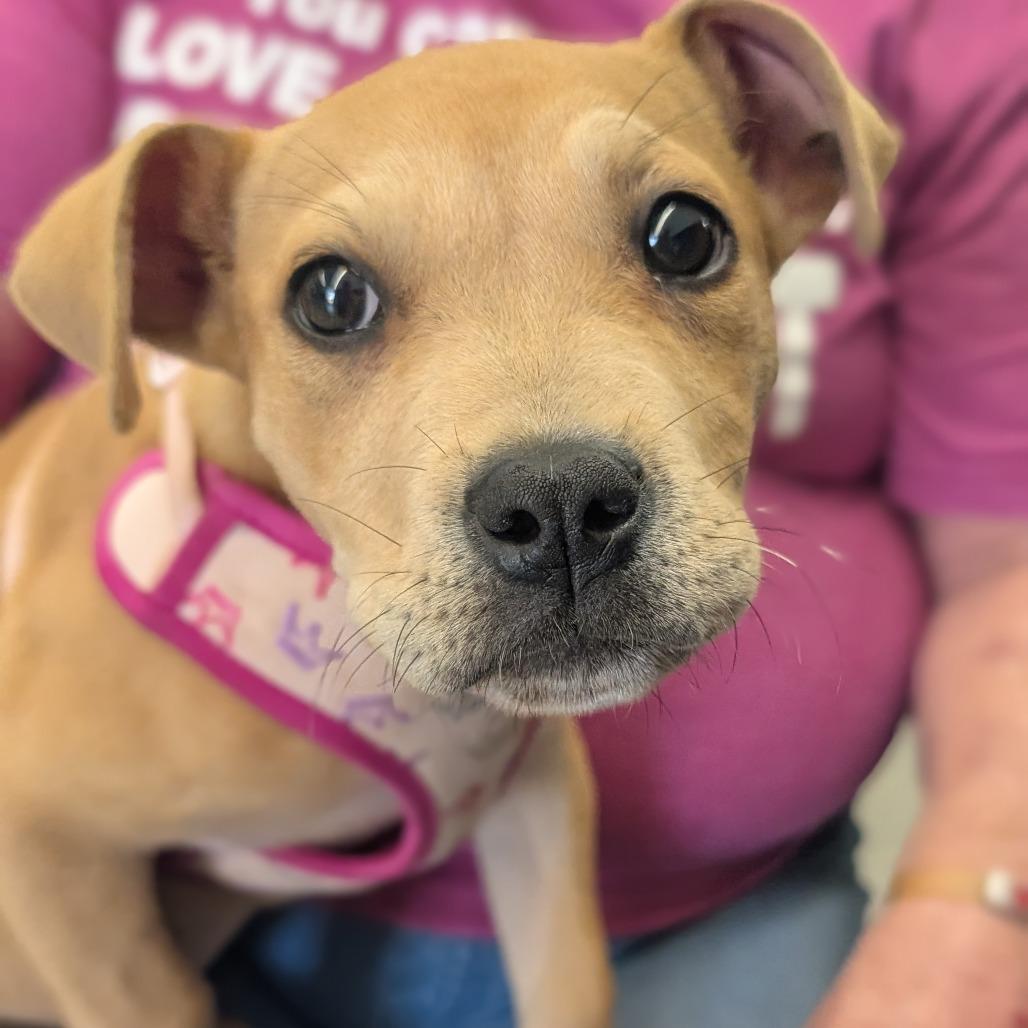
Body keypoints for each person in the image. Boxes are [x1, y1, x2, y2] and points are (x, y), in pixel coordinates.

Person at [1, 1, 1025, 1025]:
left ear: (780, 165)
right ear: (185, 288)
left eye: (677, 242)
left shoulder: (934, 34)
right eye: (336, 301)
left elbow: (1001, 572)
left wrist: (975, 907)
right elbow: (35, 815)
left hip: (720, 905)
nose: (553, 496)